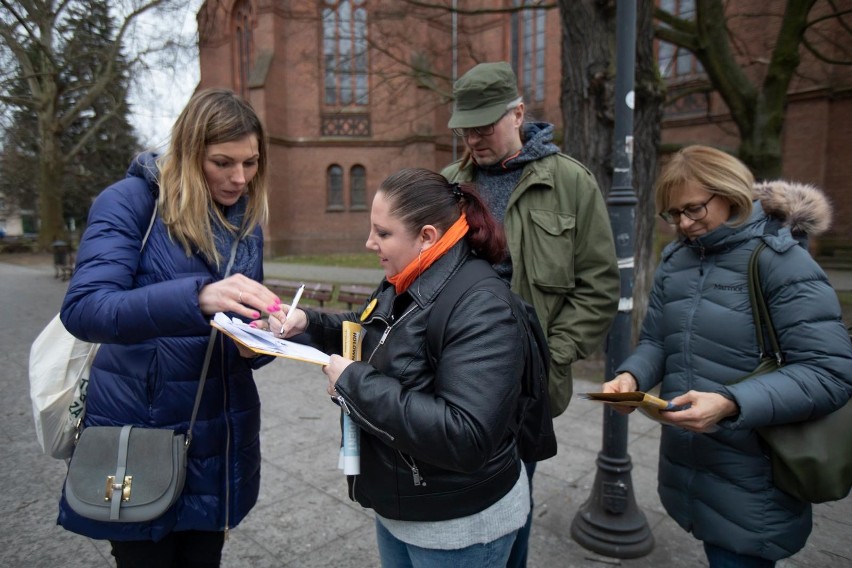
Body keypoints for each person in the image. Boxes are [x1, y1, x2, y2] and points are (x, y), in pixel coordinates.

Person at [58, 88, 285, 567]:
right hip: (141, 432)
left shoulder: (245, 220)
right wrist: (196, 297)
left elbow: (243, 328)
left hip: (218, 436)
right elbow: (86, 308)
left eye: (251, 163)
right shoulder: (129, 203)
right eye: (223, 162)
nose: (240, 178)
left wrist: (262, 341)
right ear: (187, 151)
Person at [602, 145, 852, 567]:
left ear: (731, 193)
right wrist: (632, 377)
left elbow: (829, 373)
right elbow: (656, 342)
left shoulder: (780, 260)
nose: (683, 223)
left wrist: (732, 402)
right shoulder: (676, 258)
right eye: (672, 214)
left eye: (694, 209)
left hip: (756, 476)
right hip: (692, 466)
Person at [271, 168, 529, 567]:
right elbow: (370, 325)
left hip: (458, 526)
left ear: (427, 236)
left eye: (383, 233)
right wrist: (308, 321)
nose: (369, 243)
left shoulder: (482, 304)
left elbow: (465, 434)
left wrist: (354, 384)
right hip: (403, 504)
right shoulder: (405, 277)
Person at [440, 61, 620, 567]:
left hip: (525, 385)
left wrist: (550, 357)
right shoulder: (447, 185)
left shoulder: (570, 184)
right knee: (455, 499)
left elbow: (599, 290)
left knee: (514, 502)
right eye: (465, 128)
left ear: (518, 112)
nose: (473, 138)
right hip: (454, 375)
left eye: (485, 126)